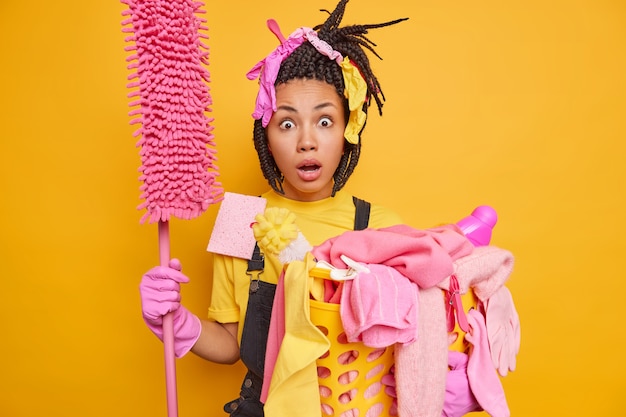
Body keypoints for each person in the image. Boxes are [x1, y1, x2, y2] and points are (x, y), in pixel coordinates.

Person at [140, 0, 409, 415]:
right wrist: (175, 322)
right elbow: (230, 345)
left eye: (324, 121)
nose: (307, 140)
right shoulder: (238, 217)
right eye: (287, 123)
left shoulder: (381, 229)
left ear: (348, 130)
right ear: (266, 136)